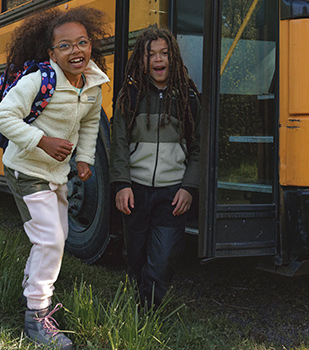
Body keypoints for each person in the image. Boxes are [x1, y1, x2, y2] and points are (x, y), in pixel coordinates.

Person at [0, 7, 110, 349]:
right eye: (66, 46)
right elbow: (2, 117)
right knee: (51, 240)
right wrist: (41, 140)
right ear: (52, 54)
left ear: (91, 46)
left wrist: (85, 159)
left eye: (82, 43)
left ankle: (33, 287)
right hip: (26, 170)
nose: (76, 51)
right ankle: (37, 315)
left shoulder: (93, 83)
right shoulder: (38, 81)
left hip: (56, 174)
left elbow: (89, 124)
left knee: (58, 235)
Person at [110, 27, 201, 309]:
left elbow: (199, 148)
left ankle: (147, 311)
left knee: (163, 256)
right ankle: (139, 293)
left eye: (164, 53)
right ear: (142, 60)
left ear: (172, 57)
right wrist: (122, 183)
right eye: (151, 55)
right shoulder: (130, 97)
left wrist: (188, 187)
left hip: (172, 193)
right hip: (136, 190)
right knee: (135, 254)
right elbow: (120, 145)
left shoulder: (187, 98)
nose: (158, 59)